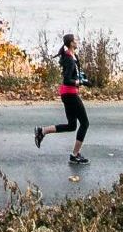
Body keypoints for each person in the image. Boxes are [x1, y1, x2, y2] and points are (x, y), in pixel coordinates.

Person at [34, 33, 92, 164]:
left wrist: (83, 78)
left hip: (68, 94)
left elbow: (76, 73)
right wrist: (80, 83)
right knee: (85, 123)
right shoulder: (69, 59)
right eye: (76, 40)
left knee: (72, 126)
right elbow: (67, 79)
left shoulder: (74, 57)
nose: (77, 41)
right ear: (71, 43)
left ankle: (42, 131)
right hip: (70, 94)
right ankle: (75, 155)